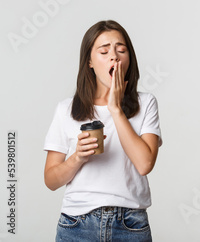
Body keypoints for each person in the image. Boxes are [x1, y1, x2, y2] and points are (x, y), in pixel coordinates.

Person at [43, 20, 162, 242]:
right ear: (89, 61)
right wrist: (77, 158)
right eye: (104, 51)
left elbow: (145, 164)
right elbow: (51, 180)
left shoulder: (146, 103)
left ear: (129, 59)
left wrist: (115, 109)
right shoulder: (66, 109)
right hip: (76, 224)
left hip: (130, 225)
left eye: (121, 50)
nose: (114, 56)